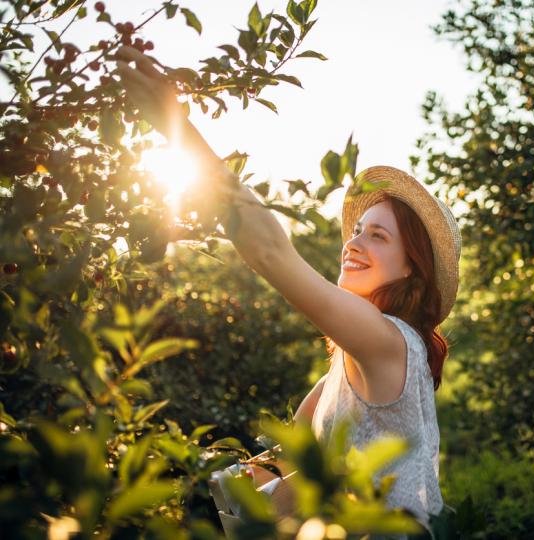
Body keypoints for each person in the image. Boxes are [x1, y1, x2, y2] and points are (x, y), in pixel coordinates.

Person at [115, 47, 461, 532]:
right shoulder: (351, 357)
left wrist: (180, 131)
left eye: (377, 236)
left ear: (411, 269)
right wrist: (182, 485)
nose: (353, 243)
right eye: (357, 229)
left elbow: (271, 255)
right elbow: (296, 462)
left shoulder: (387, 340)